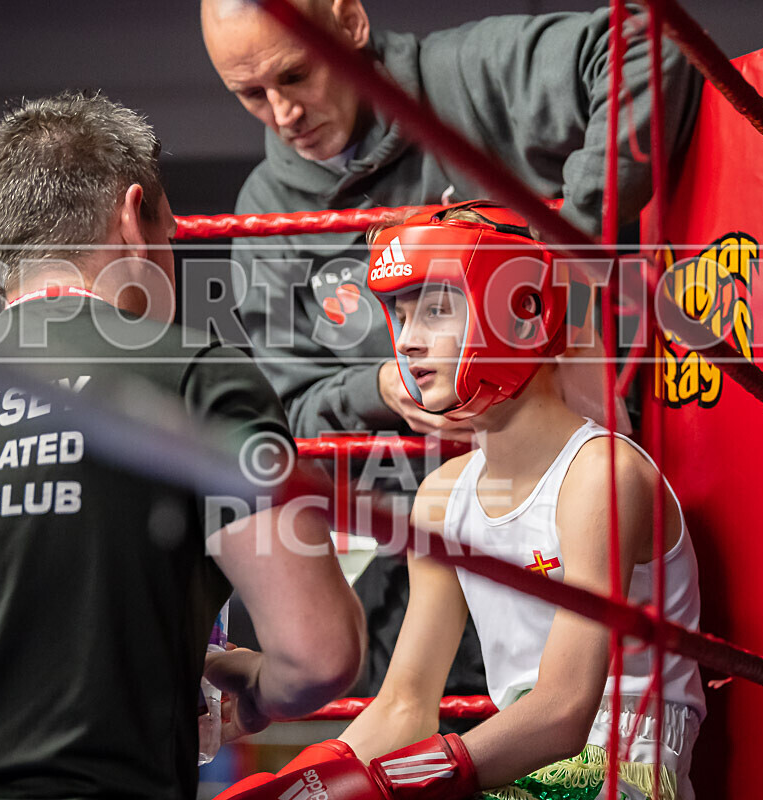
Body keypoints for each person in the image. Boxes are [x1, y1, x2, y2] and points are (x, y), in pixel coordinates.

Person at [200, 0, 700, 699]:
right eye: (250, 94)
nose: (283, 113)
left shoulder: (466, 78)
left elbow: (653, 45)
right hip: (419, 552)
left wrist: (556, 258)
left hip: (571, 514)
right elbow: (286, 418)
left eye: (297, 74)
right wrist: (378, 389)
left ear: (349, 22)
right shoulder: (269, 209)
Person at [216, 202, 706, 800]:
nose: (411, 342)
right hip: (515, 766)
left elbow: (563, 712)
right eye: (401, 313)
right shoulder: (443, 496)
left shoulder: (601, 476)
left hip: (623, 771)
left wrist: (384, 785)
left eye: (438, 310)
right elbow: (404, 706)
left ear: (524, 313)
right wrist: (302, 784)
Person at [0, 91, 365, 799]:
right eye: (170, 232)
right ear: (135, 219)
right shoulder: (198, 373)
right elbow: (320, 653)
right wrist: (253, 687)